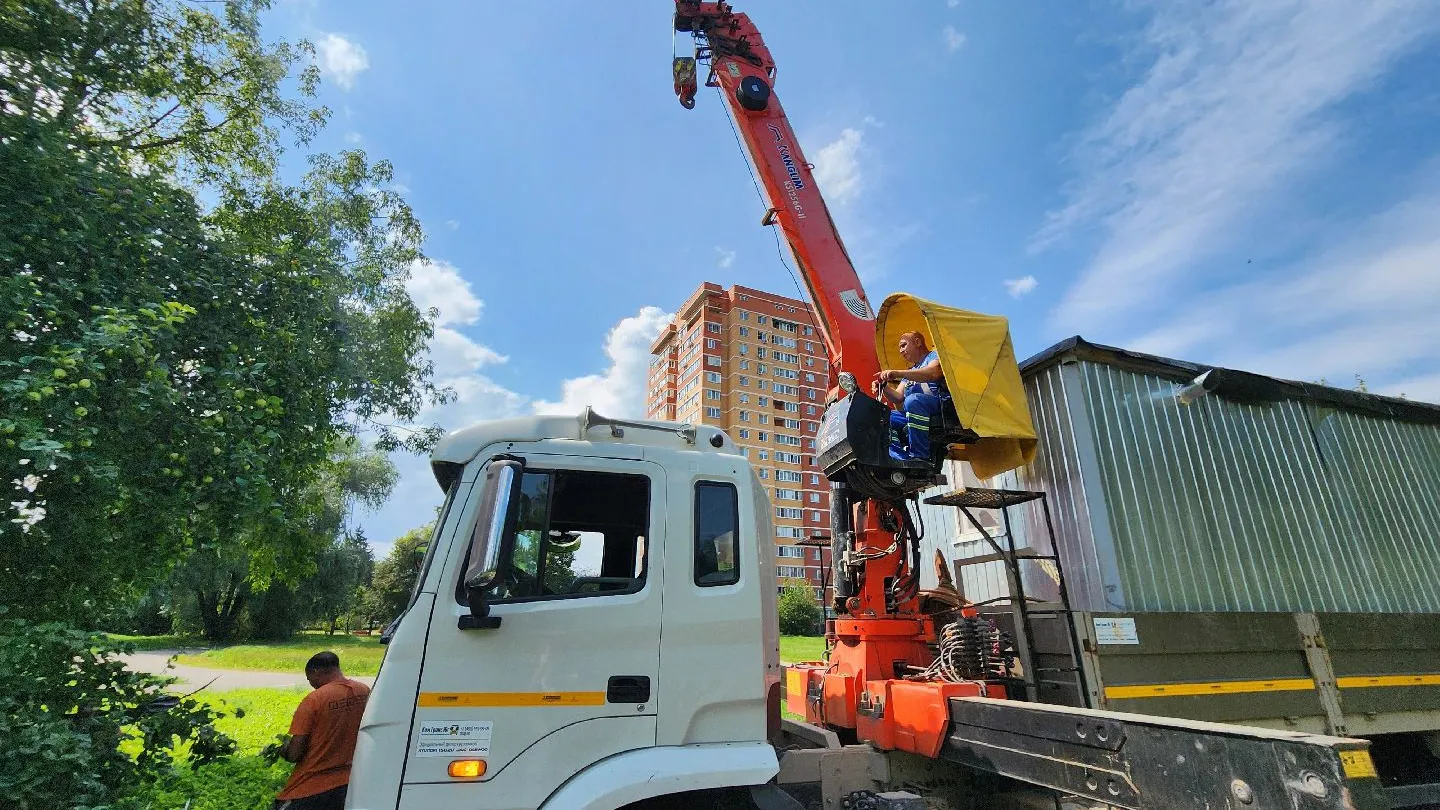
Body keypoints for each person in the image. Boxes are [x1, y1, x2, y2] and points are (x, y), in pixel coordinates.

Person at [272, 651, 371, 810]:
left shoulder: (314, 700)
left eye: (309, 678)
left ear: (315, 672)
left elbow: (295, 754)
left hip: (312, 785)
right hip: (351, 780)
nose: (311, 683)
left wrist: (283, 749)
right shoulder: (363, 691)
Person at [872, 331, 949, 462]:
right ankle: (898, 458)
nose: (901, 351)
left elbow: (933, 373)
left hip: (939, 407)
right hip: (914, 411)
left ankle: (920, 455)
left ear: (918, 342)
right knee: (882, 416)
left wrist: (898, 373)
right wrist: (883, 387)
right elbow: (898, 397)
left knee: (913, 401)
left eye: (903, 345)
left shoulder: (933, 356)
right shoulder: (910, 372)